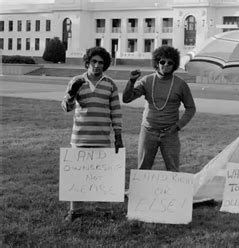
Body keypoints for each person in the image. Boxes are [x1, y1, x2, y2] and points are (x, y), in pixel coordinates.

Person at [61, 46, 123, 221]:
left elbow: (116, 111)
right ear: (87, 62)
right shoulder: (76, 80)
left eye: (101, 63)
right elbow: (67, 108)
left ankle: (105, 211)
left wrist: (118, 136)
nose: (97, 66)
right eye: (94, 62)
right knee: (77, 175)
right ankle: (75, 211)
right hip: (80, 137)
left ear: (105, 65)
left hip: (103, 138)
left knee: (103, 175)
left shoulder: (110, 84)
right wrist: (71, 93)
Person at [122, 46, 196, 172]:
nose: (165, 65)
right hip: (148, 131)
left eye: (170, 63)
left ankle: (172, 192)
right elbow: (126, 99)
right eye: (162, 62)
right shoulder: (147, 80)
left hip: (170, 133)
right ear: (157, 63)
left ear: (174, 65)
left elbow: (191, 108)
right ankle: (142, 192)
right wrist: (131, 81)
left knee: (173, 169)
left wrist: (177, 126)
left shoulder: (181, 84)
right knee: (143, 168)